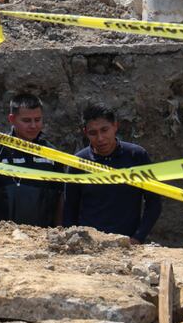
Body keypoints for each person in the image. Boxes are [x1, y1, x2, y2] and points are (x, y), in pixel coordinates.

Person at [63, 103, 162, 243]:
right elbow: (70, 208)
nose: (100, 138)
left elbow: (154, 203)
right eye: (93, 133)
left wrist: (137, 238)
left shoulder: (136, 156)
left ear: (115, 126)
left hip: (126, 244)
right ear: (85, 132)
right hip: (89, 245)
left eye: (104, 130)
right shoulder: (78, 162)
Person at [0, 93, 64, 226]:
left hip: (44, 236)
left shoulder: (52, 153)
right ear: (12, 119)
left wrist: (59, 232)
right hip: (5, 237)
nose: (33, 126)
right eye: (26, 120)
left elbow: (60, 197)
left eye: (37, 120)